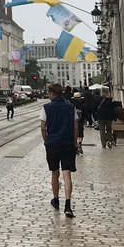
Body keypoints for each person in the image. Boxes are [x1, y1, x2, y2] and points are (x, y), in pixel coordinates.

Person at [41, 82, 79, 218]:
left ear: (52, 94)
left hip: (52, 144)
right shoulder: (71, 107)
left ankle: (56, 199)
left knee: (54, 172)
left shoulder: (46, 107)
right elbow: (75, 127)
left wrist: (46, 141)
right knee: (67, 173)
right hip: (68, 143)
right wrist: (75, 143)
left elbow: (43, 128)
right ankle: (68, 205)